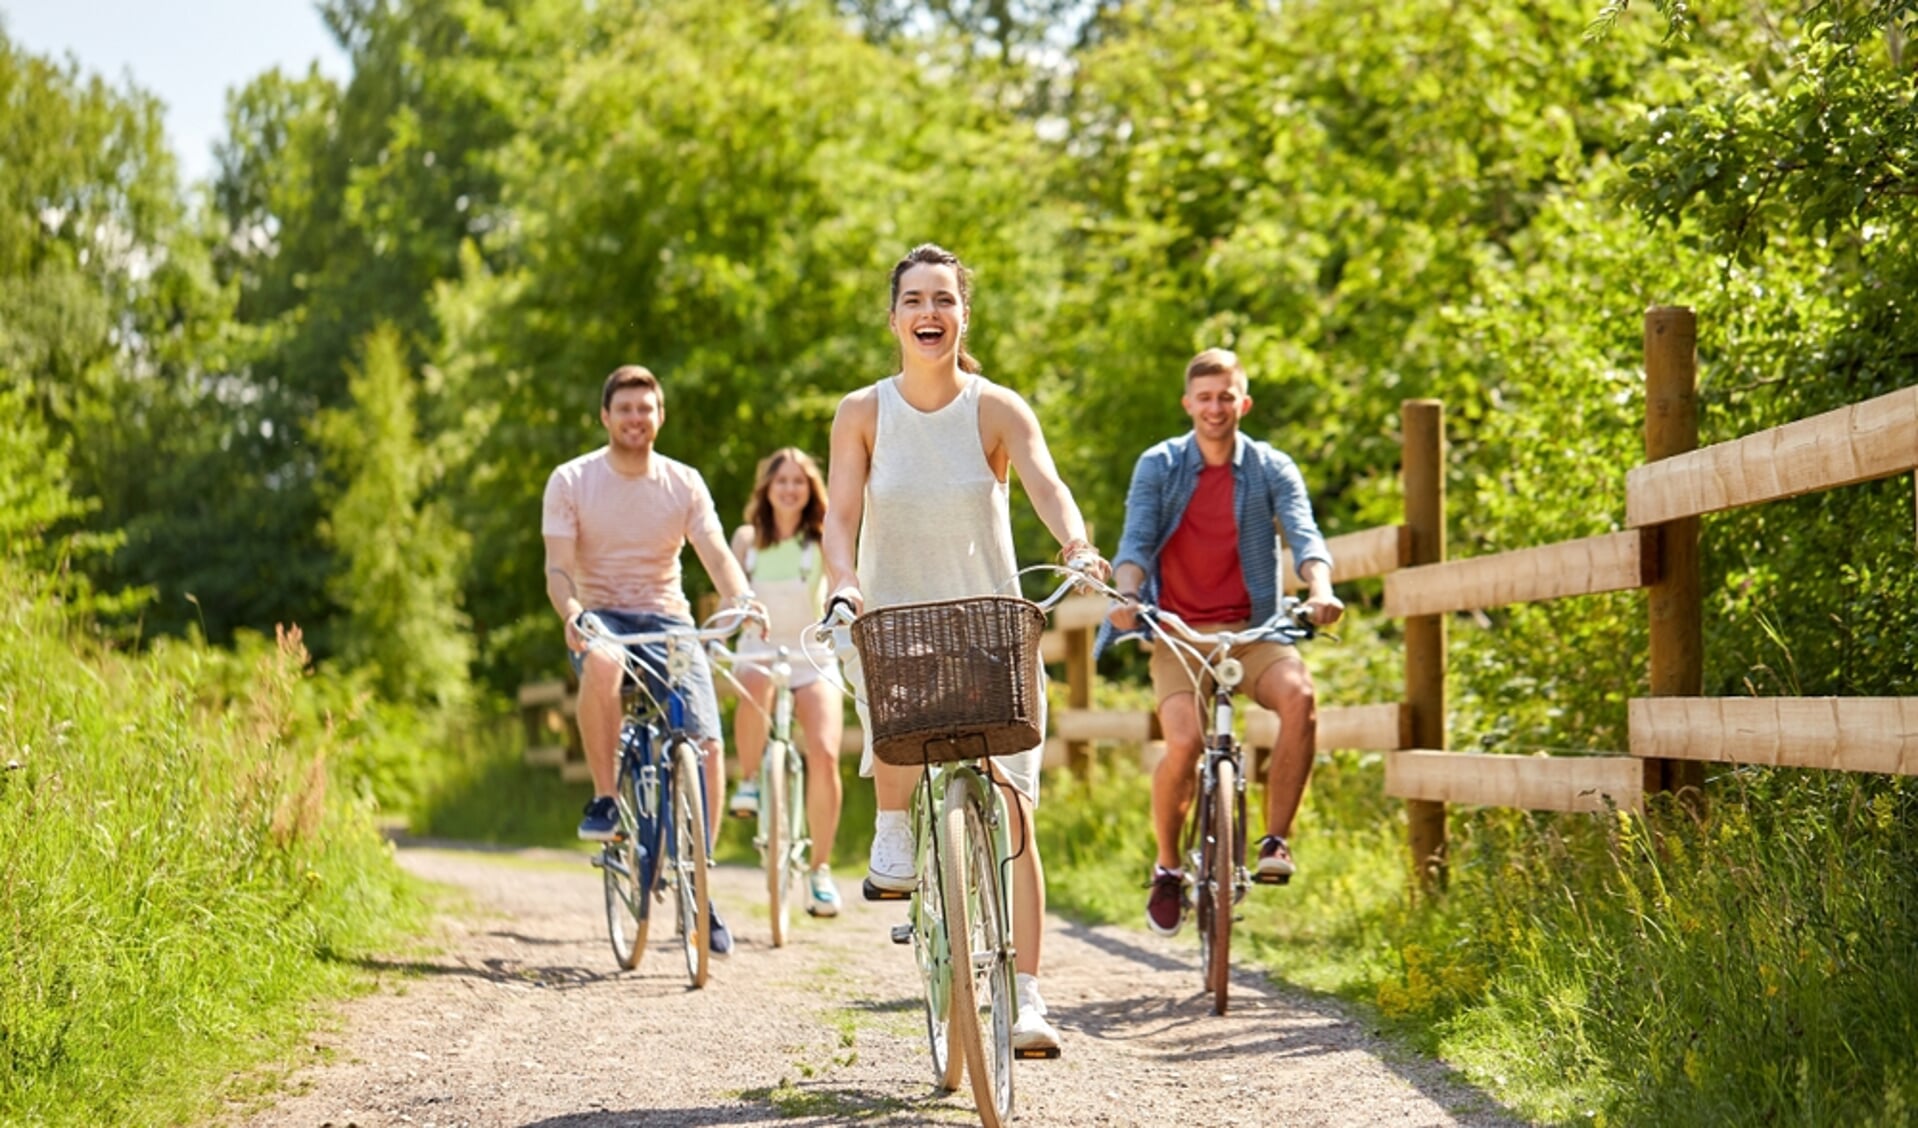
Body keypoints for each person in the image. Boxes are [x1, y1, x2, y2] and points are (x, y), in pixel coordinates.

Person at [821, 242, 1109, 1057]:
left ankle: (1027, 997)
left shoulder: (996, 409)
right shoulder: (863, 412)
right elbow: (839, 517)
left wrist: (1079, 545)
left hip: (986, 626)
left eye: (944, 300)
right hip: (897, 624)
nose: (929, 314)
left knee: (1015, 812)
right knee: (898, 725)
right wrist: (842, 580)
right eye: (914, 300)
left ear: (964, 316)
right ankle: (893, 829)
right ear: (893, 318)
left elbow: (1047, 483)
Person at [1101, 347, 1344, 939]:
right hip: (1179, 633)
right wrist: (1128, 596)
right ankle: (1167, 867)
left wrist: (1321, 587)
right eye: (1204, 398)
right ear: (1188, 404)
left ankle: (1275, 840)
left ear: (1244, 402)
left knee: (1300, 698)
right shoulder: (1159, 465)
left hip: (1253, 630)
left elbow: (1304, 531)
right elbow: (1134, 543)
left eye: (1226, 396)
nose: (1215, 408)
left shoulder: (1269, 467)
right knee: (1182, 742)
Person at [542, 364, 764, 958]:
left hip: (669, 620)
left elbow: (716, 552)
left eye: (646, 408)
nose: (636, 418)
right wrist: (571, 612)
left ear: (660, 416)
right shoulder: (571, 480)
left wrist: (742, 599)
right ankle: (606, 799)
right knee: (605, 667)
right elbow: (559, 565)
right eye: (625, 409)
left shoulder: (683, 482)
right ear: (606, 417)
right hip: (603, 617)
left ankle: (700, 880)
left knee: (707, 744)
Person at [724, 446, 847, 919]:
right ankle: (752, 780)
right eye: (782, 481)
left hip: (811, 652)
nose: (790, 488)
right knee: (752, 682)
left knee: (825, 751)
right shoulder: (746, 541)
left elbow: (840, 584)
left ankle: (820, 871)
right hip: (759, 648)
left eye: (799, 481)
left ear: (810, 489)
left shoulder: (822, 539)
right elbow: (728, 599)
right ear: (767, 489)